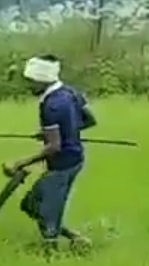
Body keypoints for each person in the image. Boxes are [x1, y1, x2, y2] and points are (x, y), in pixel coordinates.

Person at [5, 54, 95, 251]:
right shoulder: (70, 92)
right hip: (75, 158)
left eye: (30, 81)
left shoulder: (51, 106)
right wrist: (59, 131)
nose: (28, 86)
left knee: (48, 211)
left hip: (64, 164)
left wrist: (19, 163)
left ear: (41, 80)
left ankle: (50, 253)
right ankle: (76, 239)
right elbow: (89, 120)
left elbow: (54, 147)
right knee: (30, 205)